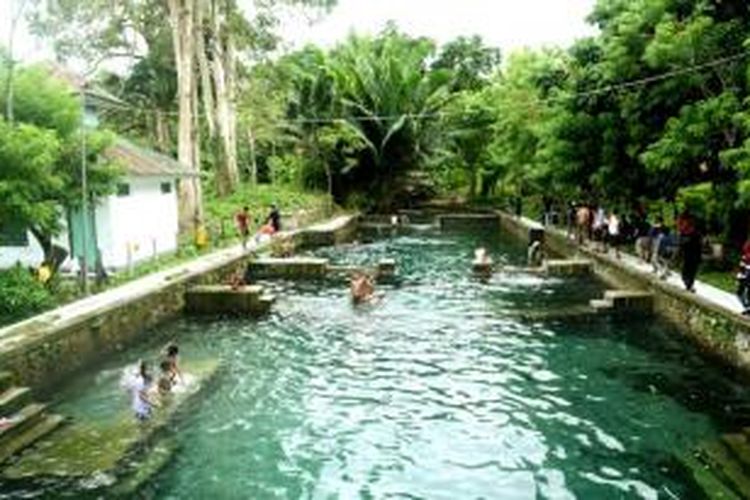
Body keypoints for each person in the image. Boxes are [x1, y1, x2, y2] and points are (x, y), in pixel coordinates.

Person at [677, 209, 702, 292]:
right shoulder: (687, 232)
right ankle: (688, 283)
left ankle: (689, 284)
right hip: (690, 252)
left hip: (692, 252)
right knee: (689, 269)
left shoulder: (693, 233)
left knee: (689, 269)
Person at [737, 240, 750, 315]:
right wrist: (740, 274)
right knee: (739, 292)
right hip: (745, 272)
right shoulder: (745, 254)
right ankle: (747, 307)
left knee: (747, 292)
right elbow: (742, 262)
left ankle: (748, 308)